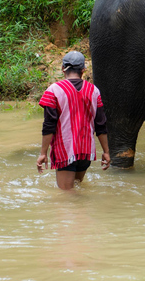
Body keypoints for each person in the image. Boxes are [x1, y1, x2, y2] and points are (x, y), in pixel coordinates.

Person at [36, 51, 110, 190]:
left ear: (63, 68)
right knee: (76, 188)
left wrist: (43, 153)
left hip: (65, 152)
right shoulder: (94, 91)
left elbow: (49, 125)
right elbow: (101, 124)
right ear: (83, 70)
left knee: (67, 196)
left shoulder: (53, 91)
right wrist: (106, 151)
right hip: (86, 152)